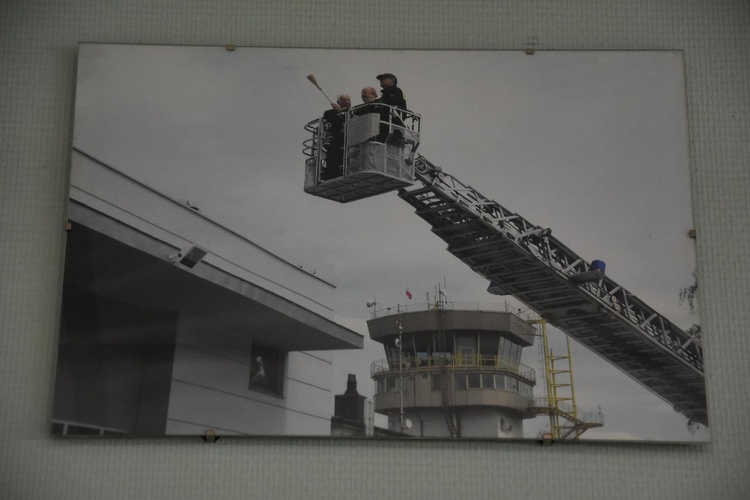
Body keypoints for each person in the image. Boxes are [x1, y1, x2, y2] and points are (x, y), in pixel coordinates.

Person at [320, 94, 350, 180]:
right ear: (338, 103)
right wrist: (338, 112)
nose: (347, 102)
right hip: (335, 142)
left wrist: (341, 112)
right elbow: (330, 122)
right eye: (345, 100)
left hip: (348, 141)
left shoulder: (352, 112)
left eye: (349, 100)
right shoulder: (329, 113)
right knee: (333, 159)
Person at [375, 73, 406, 142]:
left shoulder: (394, 91)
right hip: (388, 124)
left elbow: (389, 103)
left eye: (384, 78)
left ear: (392, 81)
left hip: (391, 123)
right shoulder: (387, 93)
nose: (381, 80)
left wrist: (374, 103)